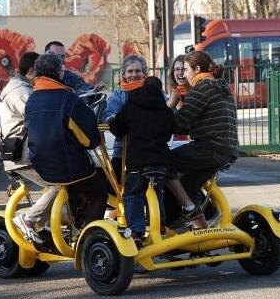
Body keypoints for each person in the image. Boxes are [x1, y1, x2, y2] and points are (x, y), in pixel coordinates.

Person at [25, 53, 107, 229]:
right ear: (59, 73)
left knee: (75, 186)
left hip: (40, 164)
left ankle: (69, 227)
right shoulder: (68, 99)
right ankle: (89, 237)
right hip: (68, 167)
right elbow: (89, 141)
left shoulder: (31, 100)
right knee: (99, 192)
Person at [165, 50, 239, 228]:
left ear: (197, 69)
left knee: (162, 162)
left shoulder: (202, 87)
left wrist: (172, 102)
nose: (184, 75)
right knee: (188, 184)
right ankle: (201, 227)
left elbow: (178, 124)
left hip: (210, 148)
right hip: (228, 149)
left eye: (187, 70)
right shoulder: (220, 86)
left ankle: (178, 218)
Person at [0, 51, 59, 244]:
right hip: (22, 154)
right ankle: (29, 220)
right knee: (60, 184)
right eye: (41, 71)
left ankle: (52, 228)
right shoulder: (20, 91)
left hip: (28, 152)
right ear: (33, 70)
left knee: (66, 183)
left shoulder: (25, 87)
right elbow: (38, 116)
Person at [109, 76, 174, 246]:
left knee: (132, 194)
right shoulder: (164, 108)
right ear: (160, 91)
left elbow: (117, 127)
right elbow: (168, 132)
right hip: (160, 160)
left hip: (137, 161)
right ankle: (159, 226)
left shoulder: (132, 104)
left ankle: (136, 233)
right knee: (158, 192)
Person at [102, 54, 148, 181]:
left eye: (138, 71)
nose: (134, 74)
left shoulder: (152, 91)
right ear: (124, 74)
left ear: (144, 73)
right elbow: (109, 114)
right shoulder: (118, 94)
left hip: (148, 146)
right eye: (130, 71)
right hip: (123, 147)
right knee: (112, 183)